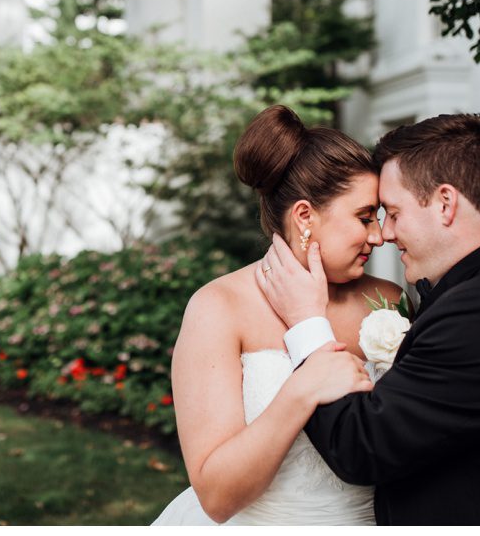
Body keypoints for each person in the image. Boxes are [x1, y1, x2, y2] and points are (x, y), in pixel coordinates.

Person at [258, 113, 480, 524]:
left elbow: (363, 447)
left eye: (392, 211)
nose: (385, 233)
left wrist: (305, 323)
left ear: (445, 203)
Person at [152, 105, 402, 525]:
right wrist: (301, 390)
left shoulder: (390, 301)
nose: (379, 237)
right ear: (305, 216)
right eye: (364, 218)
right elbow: (216, 496)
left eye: (378, 218)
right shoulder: (219, 308)